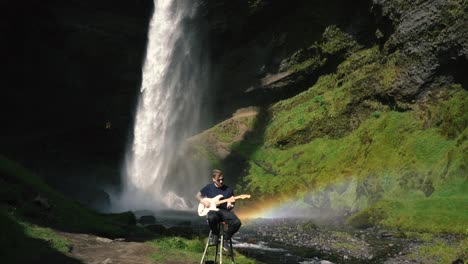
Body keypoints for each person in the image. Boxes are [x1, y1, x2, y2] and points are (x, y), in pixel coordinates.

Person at [195, 169, 242, 250]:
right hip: (213, 211)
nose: (221, 181)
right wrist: (203, 201)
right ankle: (215, 234)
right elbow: (197, 196)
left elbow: (230, 206)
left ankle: (226, 239)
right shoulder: (208, 187)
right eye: (218, 180)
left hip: (224, 212)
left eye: (222, 179)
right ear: (213, 179)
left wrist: (230, 204)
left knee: (237, 222)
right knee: (211, 217)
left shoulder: (228, 189)